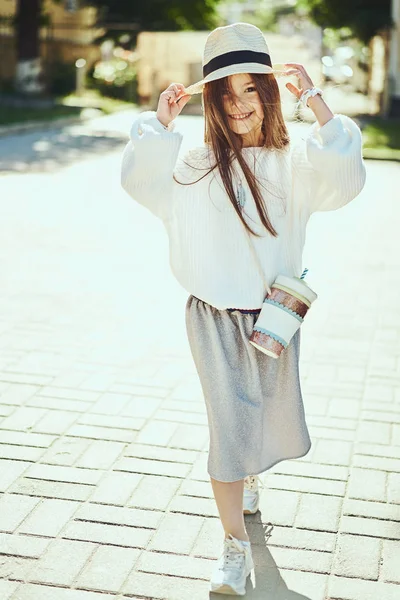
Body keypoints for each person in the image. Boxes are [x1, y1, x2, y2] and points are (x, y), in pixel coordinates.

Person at [120, 22, 366, 597]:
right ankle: (233, 546)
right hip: (211, 319)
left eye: (252, 89)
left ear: (268, 93)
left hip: (274, 317)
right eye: (226, 94)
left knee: (261, 419)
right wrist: (159, 123)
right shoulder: (194, 166)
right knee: (229, 432)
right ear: (212, 102)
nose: (239, 105)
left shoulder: (294, 163)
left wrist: (315, 99)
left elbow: (346, 179)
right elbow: (139, 180)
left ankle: (250, 476)